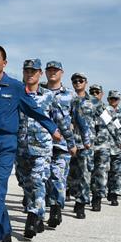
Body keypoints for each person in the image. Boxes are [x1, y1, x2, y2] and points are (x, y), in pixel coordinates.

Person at [0, 45, 60, 242]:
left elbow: (33, 109)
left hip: (5, 142)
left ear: (4, 63)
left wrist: (52, 128)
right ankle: (6, 231)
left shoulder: (15, 87)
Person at [16, 59, 70, 238]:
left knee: (38, 180)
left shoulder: (49, 96)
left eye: (34, 71)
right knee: (26, 182)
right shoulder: (17, 93)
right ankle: (38, 213)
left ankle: (32, 217)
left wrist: (69, 142)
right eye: (27, 71)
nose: (30, 74)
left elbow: (61, 120)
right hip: (21, 146)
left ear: (40, 74)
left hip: (42, 147)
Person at [41, 60, 84, 228]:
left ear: (62, 72)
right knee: (42, 177)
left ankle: (55, 208)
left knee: (58, 176)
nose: (52, 72)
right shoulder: (39, 92)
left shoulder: (70, 96)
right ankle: (39, 208)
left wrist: (83, 141)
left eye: (56, 70)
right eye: (49, 70)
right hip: (40, 142)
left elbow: (79, 120)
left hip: (62, 144)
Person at [66, 73, 95, 218]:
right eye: (75, 81)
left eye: (80, 81)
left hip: (86, 144)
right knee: (71, 175)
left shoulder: (95, 103)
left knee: (85, 174)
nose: (77, 83)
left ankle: (81, 203)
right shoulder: (67, 98)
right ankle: (74, 193)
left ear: (86, 82)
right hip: (69, 142)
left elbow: (107, 124)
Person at [106, 90, 121, 204]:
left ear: (119, 100)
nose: (113, 101)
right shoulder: (105, 111)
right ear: (108, 99)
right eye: (111, 98)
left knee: (118, 171)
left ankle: (114, 194)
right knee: (105, 171)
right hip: (105, 145)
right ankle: (104, 191)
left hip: (120, 147)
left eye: (115, 99)